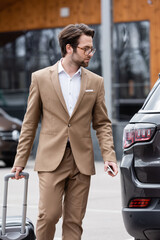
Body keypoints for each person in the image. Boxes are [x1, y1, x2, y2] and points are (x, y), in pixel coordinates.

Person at [11, 23, 118, 240]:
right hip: (51, 159)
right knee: (48, 215)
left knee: (74, 221)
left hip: (82, 161)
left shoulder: (95, 82)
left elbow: (103, 123)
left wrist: (109, 156)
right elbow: (30, 123)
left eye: (91, 48)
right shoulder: (40, 78)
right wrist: (20, 160)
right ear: (69, 48)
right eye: (85, 48)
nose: (90, 53)